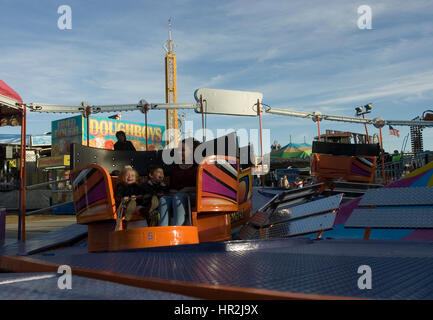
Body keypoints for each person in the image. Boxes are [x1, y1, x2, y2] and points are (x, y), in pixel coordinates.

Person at [159, 138, 200, 226]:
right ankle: (163, 229)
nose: (178, 152)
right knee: (163, 200)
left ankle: (179, 227)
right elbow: (172, 188)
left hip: (194, 195)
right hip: (177, 194)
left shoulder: (198, 167)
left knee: (178, 197)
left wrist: (186, 189)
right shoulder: (175, 168)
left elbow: (201, 188)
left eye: (183, 150)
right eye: (178, 150)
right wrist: (174, 192)